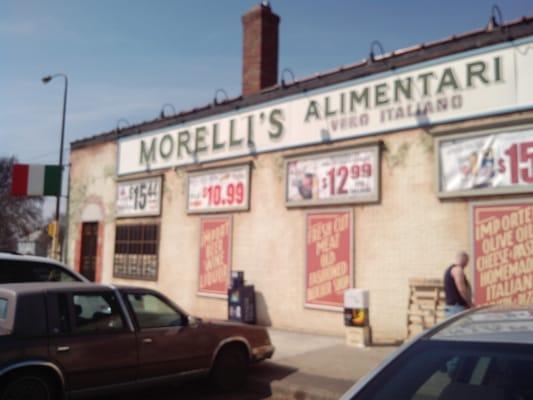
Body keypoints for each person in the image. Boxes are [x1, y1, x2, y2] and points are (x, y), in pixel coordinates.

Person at [444, 251, 474, 317]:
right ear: (464, 260)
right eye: (467, 261)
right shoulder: (458, 270)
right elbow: (462, 289)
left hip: (451, 308)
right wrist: (470, 303)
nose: (467, 264)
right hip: (457, 309)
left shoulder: (449, 269)